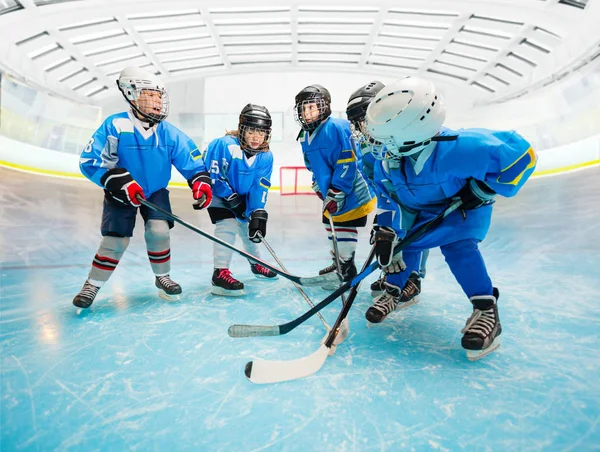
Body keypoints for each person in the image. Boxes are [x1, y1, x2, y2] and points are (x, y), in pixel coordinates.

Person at [363, 76, 537, 360]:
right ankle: (393, 293)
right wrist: (387, 232)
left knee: (459, 249)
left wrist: (481, 189)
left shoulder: (463, 147)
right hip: (419, 212)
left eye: (386, 139)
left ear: (413, 131)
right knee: (402, 247)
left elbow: (522, 157)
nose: (377, 145)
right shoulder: (389, 161)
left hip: (463, 210)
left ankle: (486, 310)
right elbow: (388, 199)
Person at [73, 66, 212, 308]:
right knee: (115, 241)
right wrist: (117, 180)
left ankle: (163, 277)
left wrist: (200, 181)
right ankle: (92, 284)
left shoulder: (169, 132)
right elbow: (89, 162)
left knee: (159, 232)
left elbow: (191, 160)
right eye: (150, 95)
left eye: (159, 96)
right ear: (131, 93)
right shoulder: (115, 125)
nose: (157, 102)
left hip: (155, 192)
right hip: (121, 192)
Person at [346, 81, 429, 301]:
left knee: (414, 233)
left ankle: (413, 277)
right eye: (357, 122)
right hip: (388, 198)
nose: (362, 127)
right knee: (387, 237)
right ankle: (393, 273)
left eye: (365, 119)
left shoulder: (397, 140)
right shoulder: (364, 145)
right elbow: (375, 182)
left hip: (412, 200)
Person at [294, 84, 376, 286]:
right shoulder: (304, 135)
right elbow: (312, 164)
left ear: (324, 106)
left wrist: (338, 190)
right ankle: (338, 262)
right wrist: (317, 183)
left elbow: (347, 161)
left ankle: (346, 268)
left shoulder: (338, 127)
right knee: (329, 225)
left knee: (343, 227)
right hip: (331, 191)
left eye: (312, 107)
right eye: (303, 108)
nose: (307, 112)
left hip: (351, 192)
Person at [203, 104, 276, 296]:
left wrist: (257, 210)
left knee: (248, 229)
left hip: (242, 196)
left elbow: (260, 185)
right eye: (251, 130)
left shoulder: (266, 156)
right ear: (242, 129)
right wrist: (231, 197)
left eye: (261, 132)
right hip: (219, 194)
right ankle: (220, 273)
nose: (255, 137)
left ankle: (256, 263)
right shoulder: (223, 145)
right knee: (226, 227)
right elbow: (213, 175)